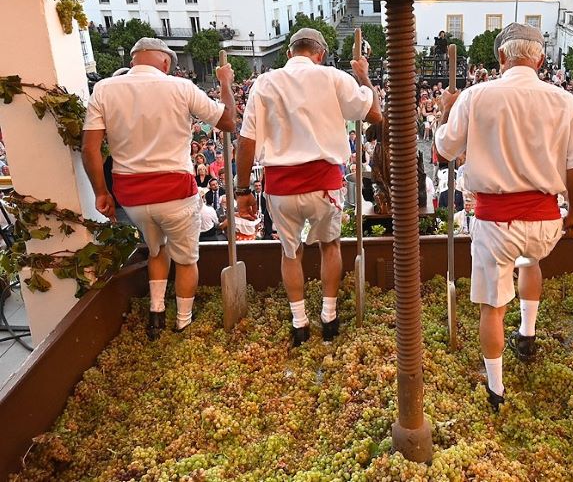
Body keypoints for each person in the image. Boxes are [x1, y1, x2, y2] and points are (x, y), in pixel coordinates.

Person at [434, 23, 573, 411]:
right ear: (540, 59)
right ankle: (528, 333)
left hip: (495, 223)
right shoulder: (565, 101)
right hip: (544, 223)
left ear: (501, 57)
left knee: (493, 305)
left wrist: (445, 111)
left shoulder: (474, 96)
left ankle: (496, 389)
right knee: (532, 261)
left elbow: (444, 150)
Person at [234, 28, 382, 346]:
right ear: (321, 54)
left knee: (291, 252)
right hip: (324, 185)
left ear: (289, 53)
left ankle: (299, 322)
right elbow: (375, 114)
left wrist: (242, 190)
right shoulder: (332, 77)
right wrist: (363, 76)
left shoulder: (264, 83)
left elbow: (245, 144)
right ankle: (328, 316)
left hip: (280, 187)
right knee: (329, 247)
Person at [82, 37, 236, 340]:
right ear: (165, 63)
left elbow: (89, 149)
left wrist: (102, 192)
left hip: (132, 196)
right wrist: (225, 83)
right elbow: (228, 121)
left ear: (134, 59)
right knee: (186, 260)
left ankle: (155, 314)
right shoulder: (179, 87)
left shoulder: (103, 89)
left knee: (156, 250)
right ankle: (182, 320)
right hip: (175, 191)